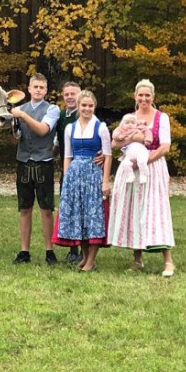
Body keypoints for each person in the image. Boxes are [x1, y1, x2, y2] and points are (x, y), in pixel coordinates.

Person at [107, 79, 176, 277]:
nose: (144, 99)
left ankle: (168, 260)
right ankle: (137, 259)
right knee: (135, 209)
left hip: (152, 167)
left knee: (156, 210)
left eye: (147, 95)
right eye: (141, 95)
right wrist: (132, 140)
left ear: (153, 97)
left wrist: (145, 161)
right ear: (135, 96)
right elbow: (115, 143)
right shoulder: (130, 118)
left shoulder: (161, 118)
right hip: (131, 166)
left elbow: (165, 147)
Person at [52, 90, 112, 272]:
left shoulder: (100, 127)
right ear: (78, 106)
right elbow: (67, 156)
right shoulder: (70, 128)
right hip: (75, 175)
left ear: (94, 107)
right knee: (80, 216)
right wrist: (67, 179)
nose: (87, 109)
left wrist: (105, 181)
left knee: (93, 217)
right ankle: (85, 256)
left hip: (93, 175)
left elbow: (108, 156)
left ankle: (91, 260)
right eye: (84, 105)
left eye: (90, 105)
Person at [10, 73, 60, 265]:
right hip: (23, 161)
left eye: (41, 87)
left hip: (43, 162)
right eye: (35, 87)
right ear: (29, 89)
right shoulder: (19, 109)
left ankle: (49, 250)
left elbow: (42, 130)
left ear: (46, 90)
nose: (38, 90)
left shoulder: (52, 109)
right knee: (24, 208)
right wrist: (13, 128)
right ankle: (24, 251)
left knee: (46, 208)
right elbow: (14, 140)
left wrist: (22, 116)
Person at [53, 81, 84, 263]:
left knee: (83, 208)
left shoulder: (86, 113)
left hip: (85, 168)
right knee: (70, 207)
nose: (70, 97)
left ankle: (85, 248)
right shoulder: (61, 116)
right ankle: (73, 248)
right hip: (67, 168)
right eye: (67, 94)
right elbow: (57, 143)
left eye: (74, 93)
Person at [112, 115, 152, 184]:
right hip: (129, 152)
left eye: (133, 123)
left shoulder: (140, 128)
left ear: (136, 124)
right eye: (127, 123)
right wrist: (119, 136)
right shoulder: (121, 130)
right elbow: (115, 135)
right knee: (125, 163)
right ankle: (130, 175)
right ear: (122, 124)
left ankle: (143, 175)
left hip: (140, 150)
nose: (130, 124)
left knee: (141, 161)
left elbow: (148, 132)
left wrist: (147, 139)